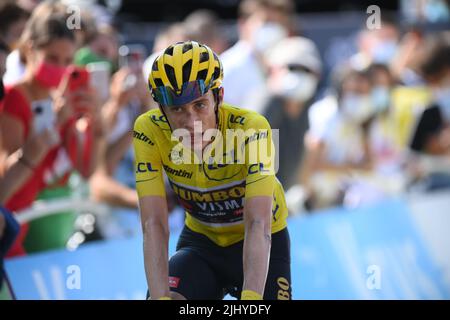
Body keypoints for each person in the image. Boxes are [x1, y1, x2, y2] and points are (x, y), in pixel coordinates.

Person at [134, 41, 290, 300]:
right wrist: (160, 297)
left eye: (200, 105)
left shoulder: (255, 128)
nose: (191, 121)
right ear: (162, 110)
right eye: (177, 109)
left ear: (218, 96)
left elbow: (257, 222)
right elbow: (153, 224)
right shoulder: (147, 130)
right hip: (202, 241)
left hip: (260, 237)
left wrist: (251, 300)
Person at [0, 13, 104, 256]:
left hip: (41, 222)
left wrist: (95, 123)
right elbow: (7, 182)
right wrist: (51, 128)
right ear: (30, 49)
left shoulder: (59, 99)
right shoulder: (13, 97)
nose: (59, 68)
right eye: (52, 59)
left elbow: (86, 168)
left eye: (67, 60)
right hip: (14, 218)